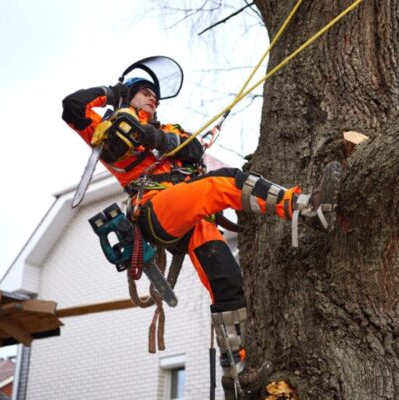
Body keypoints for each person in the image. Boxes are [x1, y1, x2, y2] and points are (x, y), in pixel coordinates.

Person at [62, 76, 341, 399]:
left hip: (190, 215)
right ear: (129, 94)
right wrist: (112, 94)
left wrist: (153, 135)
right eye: (144, 92)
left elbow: (193, 151)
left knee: (227, 280)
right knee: (222, 183)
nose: (153, 97)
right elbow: (72, 106)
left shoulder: (172, 131)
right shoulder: (110, 129)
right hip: (153, 210)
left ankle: (234, 379)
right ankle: (304, 208)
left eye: (156, 95)